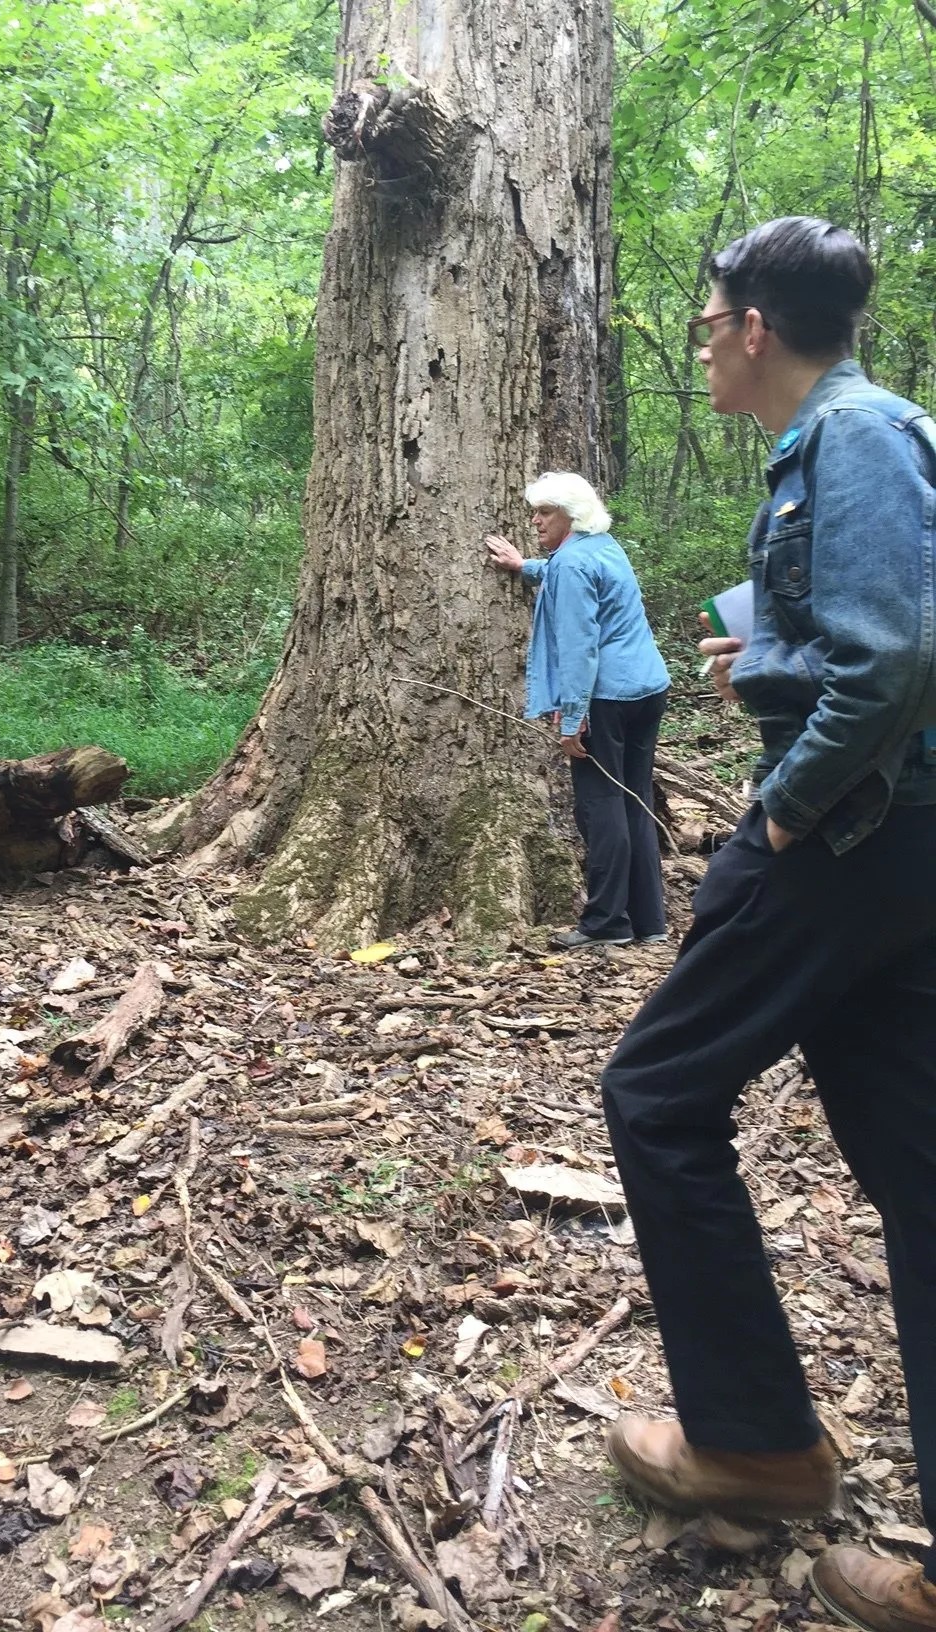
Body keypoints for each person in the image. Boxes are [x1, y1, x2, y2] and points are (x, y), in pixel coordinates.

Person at [599, 218, 936, 1632]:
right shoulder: (846, 441)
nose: (701, 348)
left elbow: (900, 660)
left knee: (657, 1093)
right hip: (898, 846)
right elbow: (875, 641)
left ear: (752, 327)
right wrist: (776, 655)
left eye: (706, 323)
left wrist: (783, 815)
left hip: (845, 838)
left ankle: (754, 1443)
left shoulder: (855, 437)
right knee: (917, 1158)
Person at [486, 473, 671, 949]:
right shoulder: (603, 546)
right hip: (647, 688)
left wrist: (572, 719)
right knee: (633, 800)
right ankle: (649, 920)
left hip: (606, 696)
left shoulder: (570, 563)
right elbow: (569, 576)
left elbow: (578, 648)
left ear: (571, 515)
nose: (535, 520)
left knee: (600, 806)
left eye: (545, 512)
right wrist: (524, 565)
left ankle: (607, 923)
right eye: (536, 511)